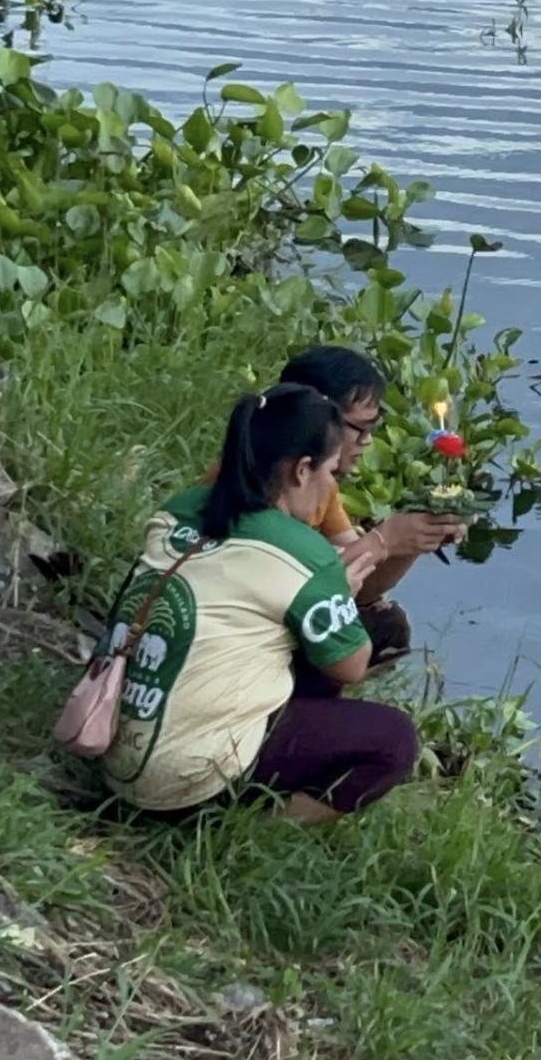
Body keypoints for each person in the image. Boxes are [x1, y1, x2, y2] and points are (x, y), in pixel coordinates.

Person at [102, 384, 419, 824]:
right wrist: (346, 586)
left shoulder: (181, 507)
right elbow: (351, 665)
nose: (332, 485)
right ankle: (248, 828)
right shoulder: (302, 551)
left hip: (113, 753)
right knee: (394, 740)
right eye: (331, 471)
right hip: (184, 783)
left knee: (305, 643)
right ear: (302, 470)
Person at [208, 345, 466, 672]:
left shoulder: (319, 484)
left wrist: (414, 539)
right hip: (240, 637)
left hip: (278, 611)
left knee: (387, 624)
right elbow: (303, 585)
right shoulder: (246, 485)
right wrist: (383, 540)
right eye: (361, 428)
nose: (367, 441)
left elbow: (360, 588)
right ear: (318, 419)